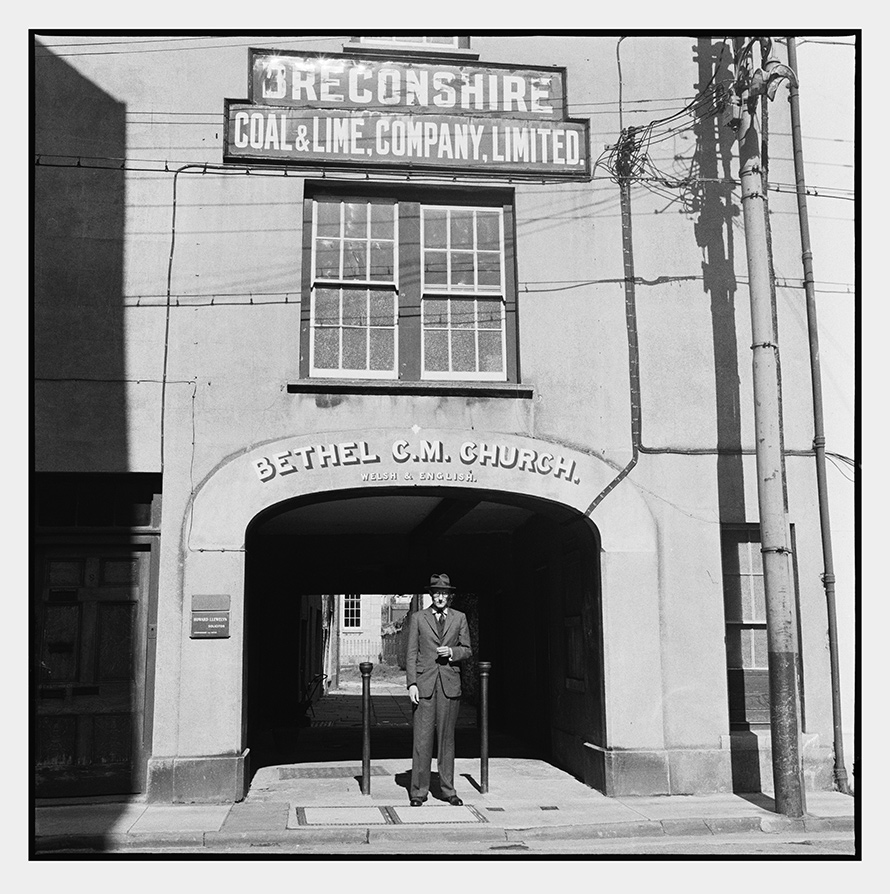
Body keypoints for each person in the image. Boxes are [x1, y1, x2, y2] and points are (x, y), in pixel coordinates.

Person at [405, 573, 473, 806]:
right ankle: (418, 792)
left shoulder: (460, 618)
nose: (440, 597)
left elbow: (468, 649)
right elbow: (411, 653)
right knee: (422, 740)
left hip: (449, 685)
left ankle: (448, 790)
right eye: (436, 593)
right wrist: (412, 683)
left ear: (450, 596)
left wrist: (452, 652)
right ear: (431, 595)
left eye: (444, 593)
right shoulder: (418, 618)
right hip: (424, 685)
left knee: (447, 740)